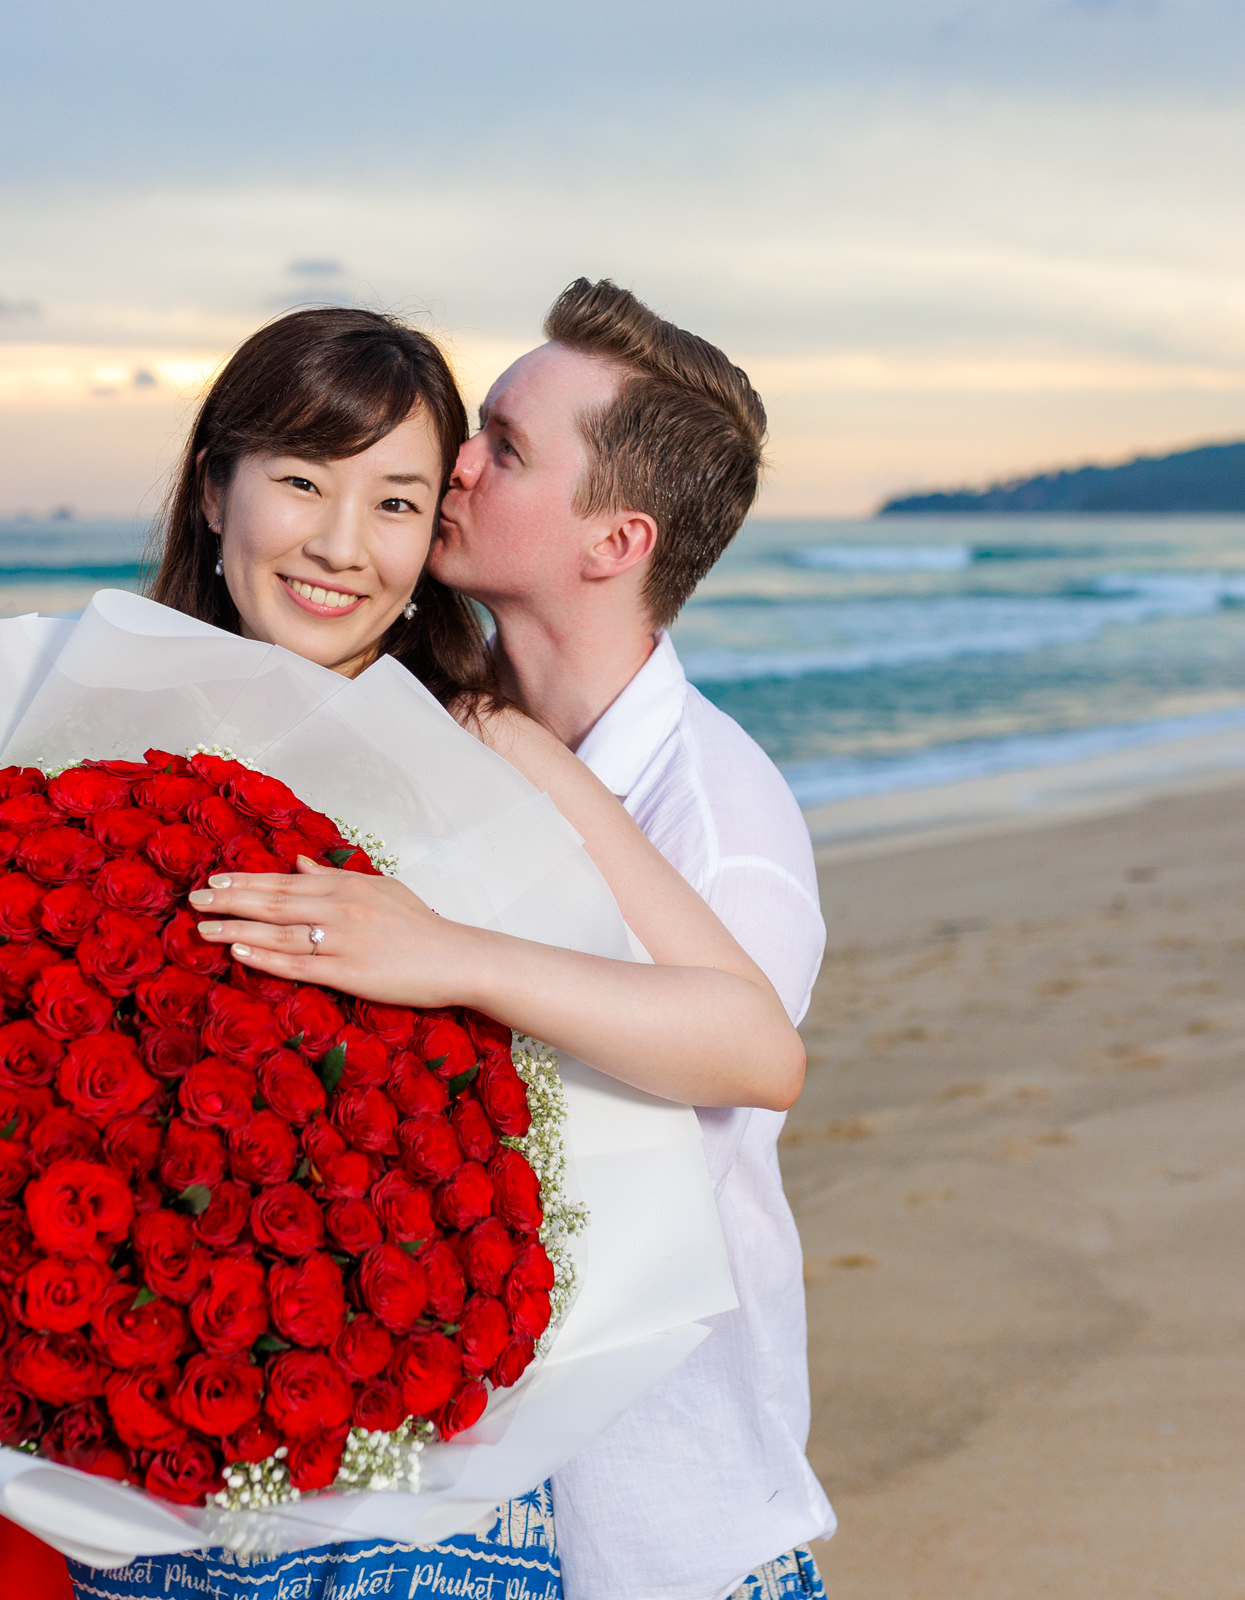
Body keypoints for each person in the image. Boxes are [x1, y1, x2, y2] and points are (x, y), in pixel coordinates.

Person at [0, 304, 805, 1600]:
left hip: (429, 1521)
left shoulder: (487, 743)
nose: (342, 546)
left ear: (433, 535)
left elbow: (754, 1045)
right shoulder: (77, 746)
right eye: (303, 481)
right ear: (213, 489)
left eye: (400, 503)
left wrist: (447, 953)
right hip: (144, 1499)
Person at [220, 281, 838, 1600]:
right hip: (453, 1506)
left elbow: (736, 1060)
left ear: (613, 542)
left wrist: (445, 952)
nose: (455, 463)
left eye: (502, 443)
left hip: (662, 1526)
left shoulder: (717, 828)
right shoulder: (445, 733)